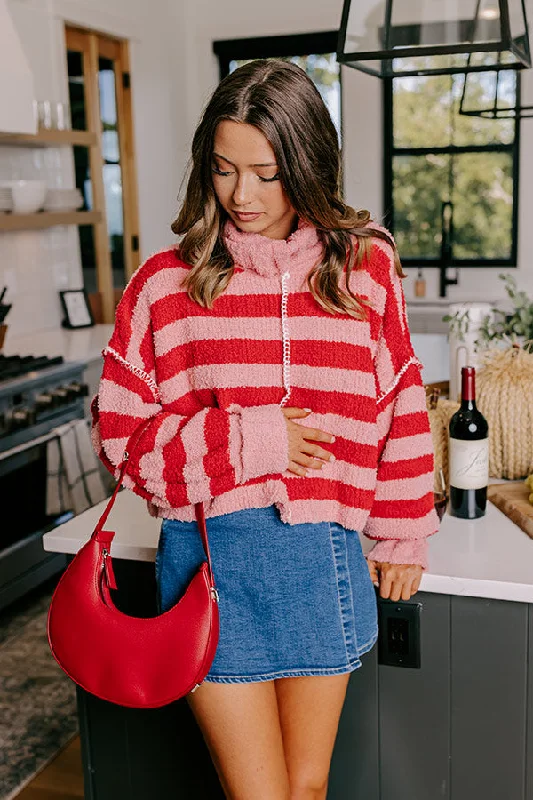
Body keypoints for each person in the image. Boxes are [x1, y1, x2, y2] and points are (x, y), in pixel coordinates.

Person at [91, 59, 439, 800]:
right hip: (210, 563)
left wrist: (403, 530)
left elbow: (399, 400)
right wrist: (251, 439)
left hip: (324, 558)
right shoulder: (164, 286)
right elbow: (123, 445)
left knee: (307, 791)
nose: (241, 196)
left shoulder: (364, 267)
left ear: (307, 164)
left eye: (266, 172)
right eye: (221, 169)